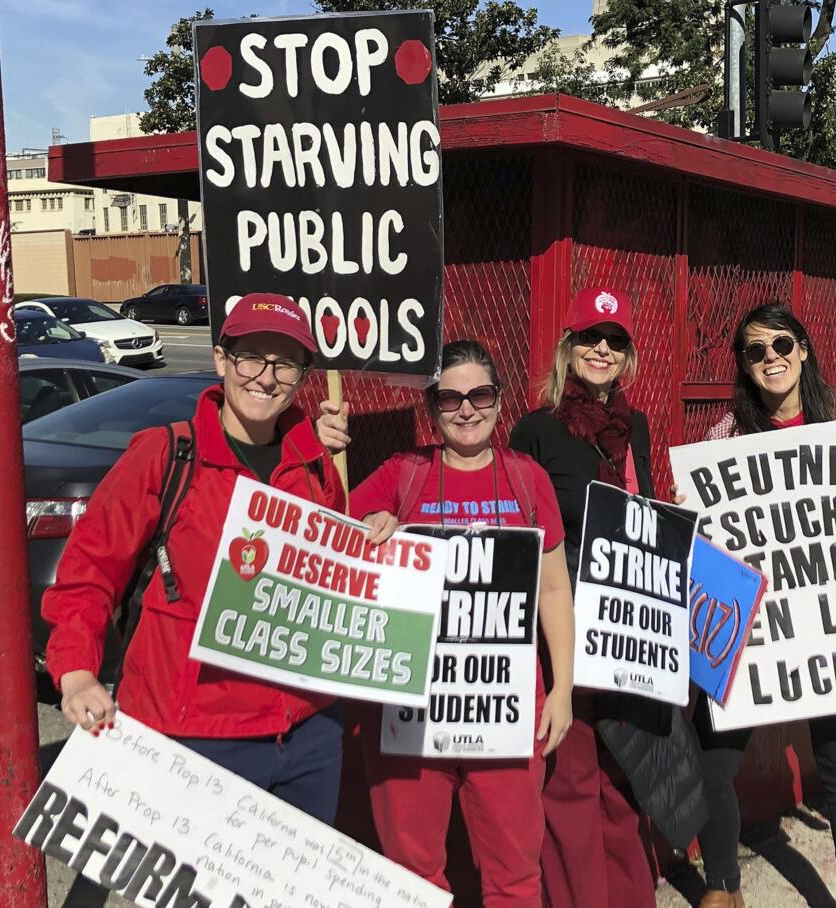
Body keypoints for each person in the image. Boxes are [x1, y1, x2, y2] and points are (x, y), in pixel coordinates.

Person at [42, 292, 353, 824]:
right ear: (220, 360)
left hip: (306, 735)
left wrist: (372, 532)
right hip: (191, 735)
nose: (266, 376)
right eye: (251, 356)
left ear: (302, 376)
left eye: (284, 363)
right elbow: (88, 572)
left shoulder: (314, 464)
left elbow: (334, 581)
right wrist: (75, 670)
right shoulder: (164, 455)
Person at [348, 339, 575, 907]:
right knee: (411, 874)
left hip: (507, 706)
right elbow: (328, 537)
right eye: (451, 398)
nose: (467, 409)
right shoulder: (401, 475)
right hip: (410, 712)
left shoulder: (527, 480)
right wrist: (368, 523)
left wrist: (565, 687)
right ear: (432, 408)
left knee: (515, 876)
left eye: (480, 394)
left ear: (499, 402)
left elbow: (554, 590)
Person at [694, 302, 836, 908]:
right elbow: (707, 537)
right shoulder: (724, 436)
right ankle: (721, 886)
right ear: (744, 366)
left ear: (804, 349)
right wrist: (693, 505)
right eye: (755, 352)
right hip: (749, 624)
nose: (771, 359)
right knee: (713, 757)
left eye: (781, 344)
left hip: (823, 624)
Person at [509, 287, 707, 908]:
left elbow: (645, 515)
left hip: (630, 635)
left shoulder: (638, 427)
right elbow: (521, 533)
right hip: (563, 638)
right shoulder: (535, 430)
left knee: (631, 784)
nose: (602, 349)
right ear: (568, 349)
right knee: (570, 786)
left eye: (615, 341)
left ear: (628, 356)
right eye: (591, 338)